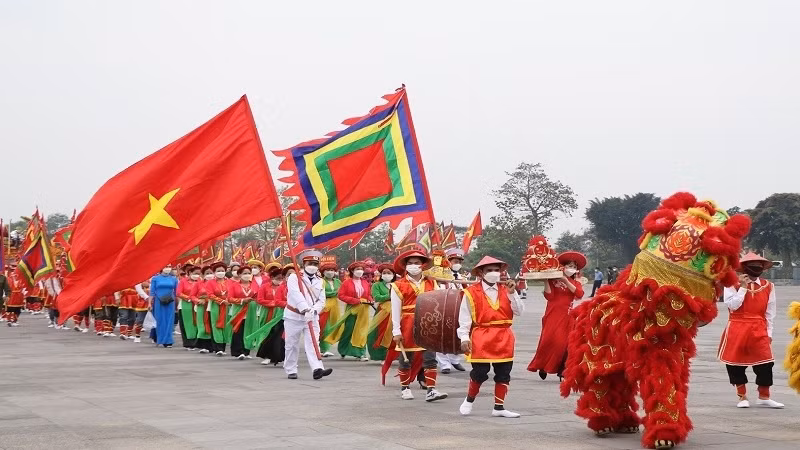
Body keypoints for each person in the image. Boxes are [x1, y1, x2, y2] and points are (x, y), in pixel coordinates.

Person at [458, 256, 525, 418]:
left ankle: (499, 407)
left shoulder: (507, 289)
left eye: (496, 270)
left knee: (504, 372)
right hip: (481, 335)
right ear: (481, 273)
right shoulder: (471, 292)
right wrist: (464, 338)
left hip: (504, 335)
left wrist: (512, 294)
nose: (494, 273)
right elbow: (464, 317)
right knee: (480, 372)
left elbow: (519, 311)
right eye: (489, 270)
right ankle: (469, 399)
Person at [718, 253, 784, 409]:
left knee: (766, 363)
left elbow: (770, 312)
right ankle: (742, 397)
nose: (757, 268)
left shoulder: (768, 286)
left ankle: (764, 396)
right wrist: (742, 288)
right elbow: (732, 306)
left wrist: (769, 333)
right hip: (737, 325)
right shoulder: (731, 284)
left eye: (760, 265)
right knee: (735, 364)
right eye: (753, 265)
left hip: (759, 327)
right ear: (744, 267)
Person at [386, 248, 447, 402]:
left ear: (423, 265)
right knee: (406, 358)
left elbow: (441, 302)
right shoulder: (398, 285)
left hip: (428, 323)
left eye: (417, 263)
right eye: (411, 263)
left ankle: (431, 390)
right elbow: (395, 310)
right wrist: (396, 331)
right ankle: (405, 388)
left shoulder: (432, 282)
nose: (414, 265)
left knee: (430, 358)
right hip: (407, 323)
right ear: (406, 266)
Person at [528, 251, 586, 380]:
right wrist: (546, 281)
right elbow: (550, 296)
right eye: (569, 266)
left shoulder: (576, 282)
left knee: (564, 343)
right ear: (562, 267)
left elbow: (579, 294)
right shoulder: (553, 281)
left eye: (574, 267)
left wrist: (565, 280)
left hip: (568, 315)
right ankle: (542, 365)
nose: (571, 269)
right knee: (548, 341)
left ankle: (562, 369)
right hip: (552, 314)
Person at [284, 250, 333, 380]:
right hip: (294, 315)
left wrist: (314, 310)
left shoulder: (320, 281)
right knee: (291, 344)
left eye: (315, 264)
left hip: (312, 316)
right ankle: (291, 369)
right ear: (304, 264)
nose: (313, 266)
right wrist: (305, 308)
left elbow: (322, 300)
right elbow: (295, 294)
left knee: (313, 343)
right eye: (310, 263)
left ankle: (317, 368)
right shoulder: (294, 278)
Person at [333, 261, 374, 361]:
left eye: (361, 269)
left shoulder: (365, 283)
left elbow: (368, 294)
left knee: (361, 331)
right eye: (357, 269)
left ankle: (360, 353)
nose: (359, 271)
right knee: (349, 330)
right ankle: (343, 349)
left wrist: (370, 300)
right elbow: (341, 295)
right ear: (352, 271)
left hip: (364, 310)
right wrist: (355, 301)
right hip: (352, 309)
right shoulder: (346, 282)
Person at [437, 248, 468, 374]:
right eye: (455, 261)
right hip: (443, 309)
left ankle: (455, 359)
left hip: (459, 310)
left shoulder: (462, 278)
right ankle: (444, 363)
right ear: (448, 261)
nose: (457, 263)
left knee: (458, 335)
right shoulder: (441, 276)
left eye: (459, 261)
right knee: (441, 336)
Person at [253, 264, 286, 366]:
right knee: (267, 333)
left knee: (278, 335)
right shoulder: (264, 287)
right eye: (277, 278)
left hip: (280, 313)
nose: (280, 280)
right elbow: (259, 300)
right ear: (271, 278)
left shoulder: (285, 287)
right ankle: (266, 356)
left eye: (281, 278)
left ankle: (277, 356)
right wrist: (272, 303)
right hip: (267, 312)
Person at [367, 263, 395, 362]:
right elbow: (377, 297)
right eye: (384, 273)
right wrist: (390, 296)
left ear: (393, 274)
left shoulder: (397, 284)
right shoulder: (376, 285)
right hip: (383, 312)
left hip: (396, 311)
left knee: (395, 333)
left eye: (389, 273)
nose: (386, 275)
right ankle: (382, 355)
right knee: (382, 333)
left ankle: (394, 355)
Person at [228, 265, 257, 360]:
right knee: (238, 331)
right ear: (239, 274)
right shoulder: (234, 285)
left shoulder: (254, 284)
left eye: (249, 273)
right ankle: (238, 351)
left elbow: (258, 296)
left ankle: (246, 350)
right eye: (245, 273)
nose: (247, 275)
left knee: (249, 330)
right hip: (238, 311)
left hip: (251, 311)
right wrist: (241, 301)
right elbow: (230, 298)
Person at [319, 257, 343, 357]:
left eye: (332, 270)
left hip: (335, 307)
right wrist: (334, 293)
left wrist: (334, 293)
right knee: (325, 327)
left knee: (335, 327)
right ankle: (325, 348)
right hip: (324, 306)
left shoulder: (338, 282)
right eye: (328, 270)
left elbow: (341, 292)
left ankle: (324, 347)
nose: (330, 272)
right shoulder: (320, 281)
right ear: (323, 272)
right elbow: (322, 293)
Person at [207, 262, 232, 356]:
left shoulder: (230, 282)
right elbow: (210, 294)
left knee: (226, 325)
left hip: (227, 306)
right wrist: (221, 301)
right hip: (215, 306)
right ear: (214, 272)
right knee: (215, 325)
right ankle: (218, 348)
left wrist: (229, 300)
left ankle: (223, 346)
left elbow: (232, 293)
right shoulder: (210, 282)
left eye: (222, 271)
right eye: (218, 271)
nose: (220, 272)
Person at [150, 265, 178, 348]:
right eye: (166, 266)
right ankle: (160, 339)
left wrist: (178, 304)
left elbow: (177, 293)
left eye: (169, 266)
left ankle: (168, 340)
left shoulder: (174, 279)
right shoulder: (155, 278)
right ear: (162, 267)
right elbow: (152, 292)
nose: (168, 268)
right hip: (158, 301)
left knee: (169, 320)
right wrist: (149, 303)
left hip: (170, 301)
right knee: (159, 320)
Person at [176, 265, 200, 350]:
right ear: (190, 273)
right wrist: (189, 298)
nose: (197, 275)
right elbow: (179, 293)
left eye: (199, 274)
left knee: (197, 323)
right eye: (195, 273)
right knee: (187, 324)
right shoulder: (183, 281)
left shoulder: (200, 281)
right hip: (186, 305)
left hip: (198, 304)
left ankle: (197, 342)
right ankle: (188, 343)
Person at [191, 266, 214, 353]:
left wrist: (207, 300)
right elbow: (192, 295)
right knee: (202, 325)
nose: (209, 275)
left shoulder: (217, 283)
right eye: (207, 273)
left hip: (213, 305)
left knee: (212, 324)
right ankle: (203, 345)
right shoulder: (198, 284)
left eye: (211, 273)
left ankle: (213, 346)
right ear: (203, 275)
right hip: (201, 307)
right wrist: (198, 300)